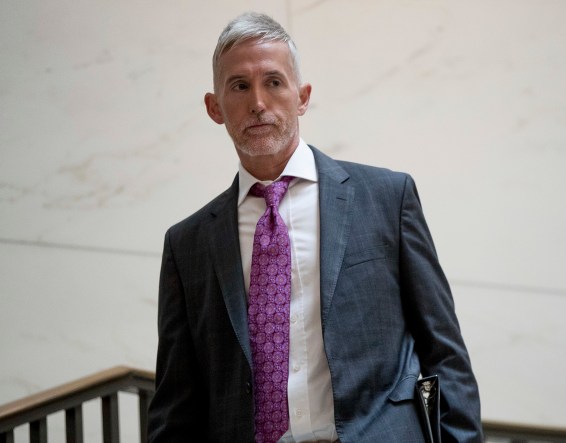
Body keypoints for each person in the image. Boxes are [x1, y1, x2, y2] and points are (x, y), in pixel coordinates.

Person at [148, 11, 482, 443]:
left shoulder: (386, 198)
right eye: (239, 86)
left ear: (302, 96)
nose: (258, 103)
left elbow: (445, 353)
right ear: (214, 107)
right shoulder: (188, 243)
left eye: (273, 82)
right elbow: (176, 403)